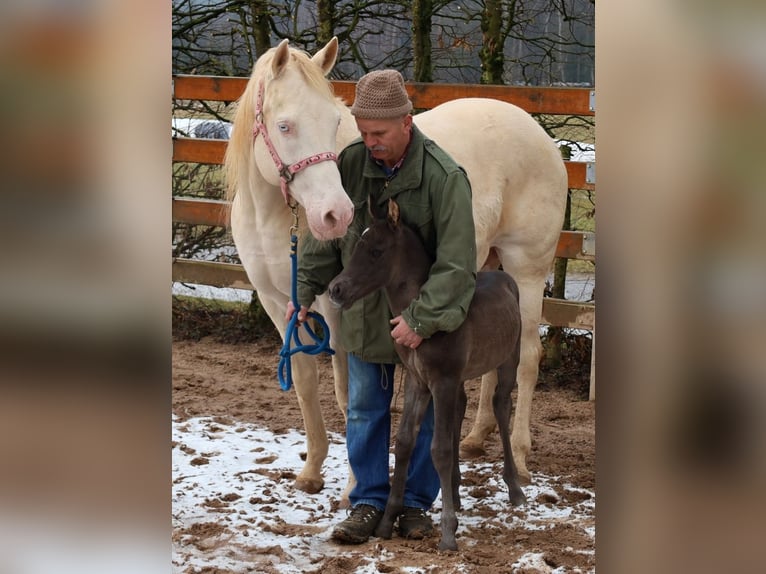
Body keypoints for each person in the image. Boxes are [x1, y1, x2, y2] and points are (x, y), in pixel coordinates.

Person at [286, 69, 477, 544]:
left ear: (406, 123)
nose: (370, 142)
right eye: (364, 132)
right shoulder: (349, 163)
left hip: (426, 324)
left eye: (379, 133)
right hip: (366, 317)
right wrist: (303, 294)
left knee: (426, 413)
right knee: (365, 408)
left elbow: (458, 265)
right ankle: (369, 502)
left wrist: (421, 319)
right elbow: (324, 240)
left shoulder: (444, 177)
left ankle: (414, 505)